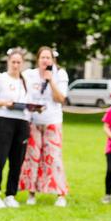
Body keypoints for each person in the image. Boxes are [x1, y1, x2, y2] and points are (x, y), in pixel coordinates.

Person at [19, 46, 70, 207]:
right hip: (34, 122)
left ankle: (60, 194)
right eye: (43, 58)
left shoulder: (60, 74)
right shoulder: (29, 75)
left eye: (48, 58)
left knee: (53, 158)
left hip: (52, 121)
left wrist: (50, 81)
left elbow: (61, 98)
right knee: (32, 158)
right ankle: (31, 193)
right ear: (38, 59)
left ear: (53, 60)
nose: (45, 61)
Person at [0, 48, 28, 208]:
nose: (16, 65)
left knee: (17, 160)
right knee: (0, 158)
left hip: (22, 121)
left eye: (19, 62)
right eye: (13, 62)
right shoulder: (0, 78)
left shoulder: (25, 81)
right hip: (5, 120)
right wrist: (5, 103)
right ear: (8, 62)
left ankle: (11, 194)